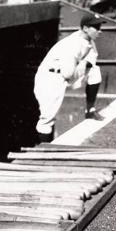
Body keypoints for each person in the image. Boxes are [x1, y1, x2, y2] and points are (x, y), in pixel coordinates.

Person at [33, 12, 106, 142]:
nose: (100, 31)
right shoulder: (73, 43)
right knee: (47, 118)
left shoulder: (88, 40)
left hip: (64, 75)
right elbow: (68, 73)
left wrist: (83, 65)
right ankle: (43, 149)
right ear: (85, 28)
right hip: (50, 78)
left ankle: (90, 109)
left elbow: (91, 60)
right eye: (97, 27)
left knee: (94, 71)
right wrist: (82, 66)